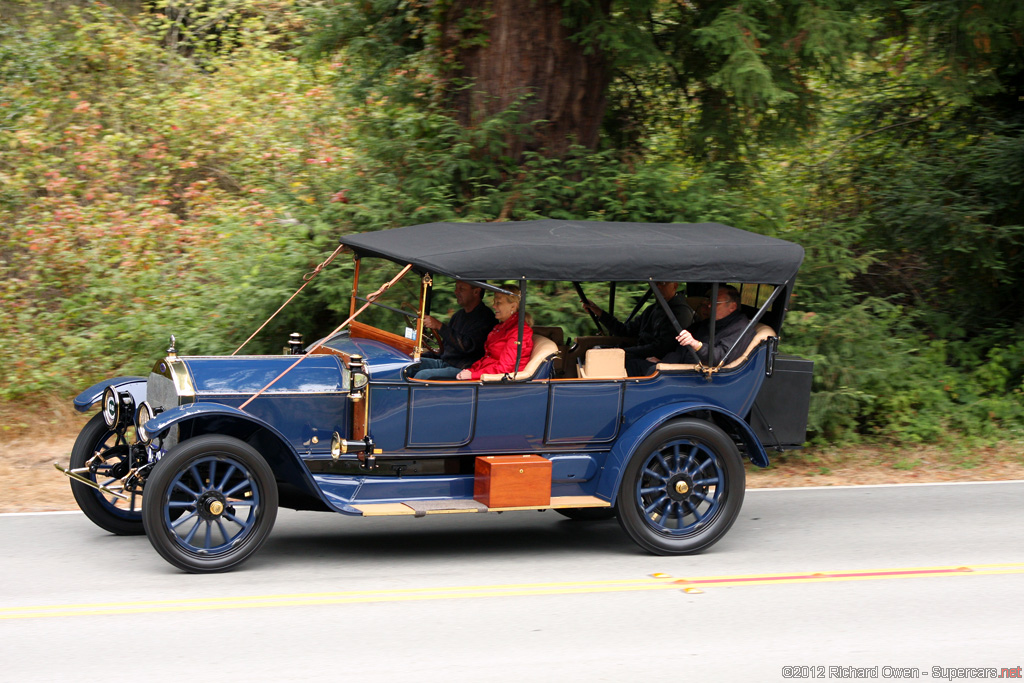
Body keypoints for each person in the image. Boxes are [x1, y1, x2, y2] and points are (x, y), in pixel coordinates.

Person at [626, 285, 754, 375]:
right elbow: (679, 344)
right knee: (631, 362)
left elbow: (719, 357)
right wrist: (663, 361)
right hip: (677, 367)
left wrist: (696, 344)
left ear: (732, 306)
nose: (709, 305)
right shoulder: (711, 323)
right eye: (709, 300)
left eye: (715, 302)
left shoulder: (739, 328)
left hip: (693, 375)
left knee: (632, 366)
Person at [582, 281, 693, 361]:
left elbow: (662, 347)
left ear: (675, 286)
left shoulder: (681, 312)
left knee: (604, 359)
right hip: (643, 354)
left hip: (658, 361)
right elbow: (626, 330)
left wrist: (626, 352)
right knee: (595, 351)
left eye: (663, 283)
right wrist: (599, 312)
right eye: (656, 284)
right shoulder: (653, 309)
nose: (658, 286)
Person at [409, 280, 496, 380]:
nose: (456, 292)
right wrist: (421, 355)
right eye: (456, 288)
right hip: (445, 362)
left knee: (423, 375)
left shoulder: (486, 317)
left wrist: (439, 326)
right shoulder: (458, 316)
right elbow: (445, 347)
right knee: (408, 365)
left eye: (461, 289)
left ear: (476, 292)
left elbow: (468, 346)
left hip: (464, 368)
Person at [454, 285, 534, 380]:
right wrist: (471, 370)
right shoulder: (501, 327)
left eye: (498, 303)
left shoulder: (519, 332)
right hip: (487, 376)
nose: (494, 306)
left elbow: (505, 368)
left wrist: (473, 375)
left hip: (500, 384)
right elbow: (487, 357)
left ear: (513, 306)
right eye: (494, 302)